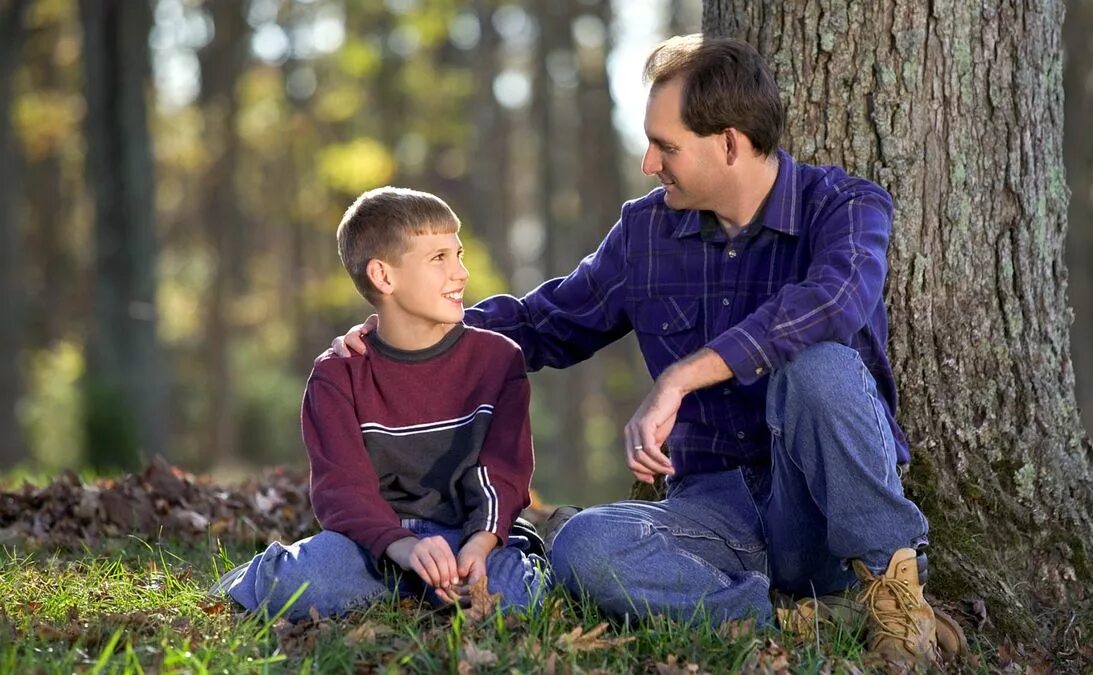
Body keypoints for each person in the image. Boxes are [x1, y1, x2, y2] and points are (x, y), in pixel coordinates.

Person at [328, 36, 962, 667]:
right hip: (713, 518)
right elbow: (544, 322)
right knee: (584, 545)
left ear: (730, 143)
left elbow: (834, 303)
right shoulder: (646, 232)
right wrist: (405, 329)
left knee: (819, 365)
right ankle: (793, 620)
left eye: (666, 146)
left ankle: (892, 596)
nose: (648, 163)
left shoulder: (846, 207)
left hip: (826, 515)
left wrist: (682, 378)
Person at [215, 187, 548, 621]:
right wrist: (404, 548)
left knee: (515, 597)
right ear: (384, 277)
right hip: (377, 545)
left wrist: (479, 544)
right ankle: (266, 575)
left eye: (459, 253)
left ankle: (436, 584)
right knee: (301, 586)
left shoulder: (499, 360)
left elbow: (503, 473)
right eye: (439, 258)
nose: (462, 273)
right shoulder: (338, 375)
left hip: (472, 537)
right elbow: (343, 491)